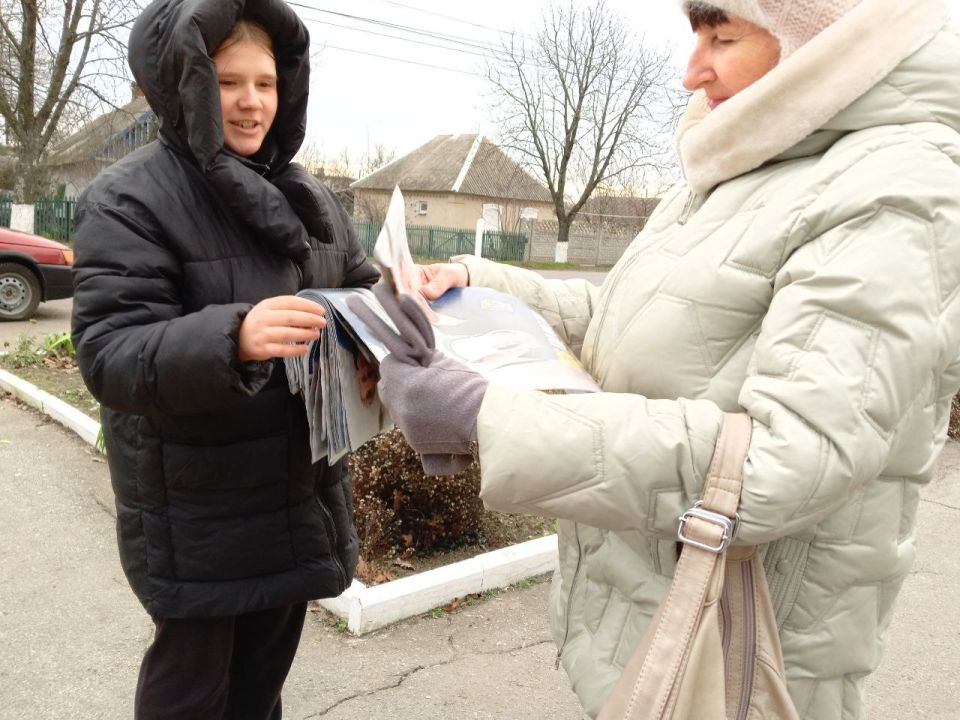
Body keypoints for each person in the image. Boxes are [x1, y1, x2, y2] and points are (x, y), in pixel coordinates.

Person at [357, 1, 960, 717]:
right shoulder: (740, 164)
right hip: (651, 619)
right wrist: (478, 287)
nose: (689, 71)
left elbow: (787, 462)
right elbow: (630, 319)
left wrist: (483, 417)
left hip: (740, 658)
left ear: (826, 39)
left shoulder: (897, 191)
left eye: (722, 35)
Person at [70, 0, 379, 717]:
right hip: (196, 513)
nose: (250, 103)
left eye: (266, 83)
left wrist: (394, 318)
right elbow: (111, 356)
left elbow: (361, 290)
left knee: (259, 694)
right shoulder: (128, 200)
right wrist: (234, 336)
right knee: (189, 698)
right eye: (227, 80)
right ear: (185, 83)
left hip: (295, 496)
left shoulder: (312, 200)